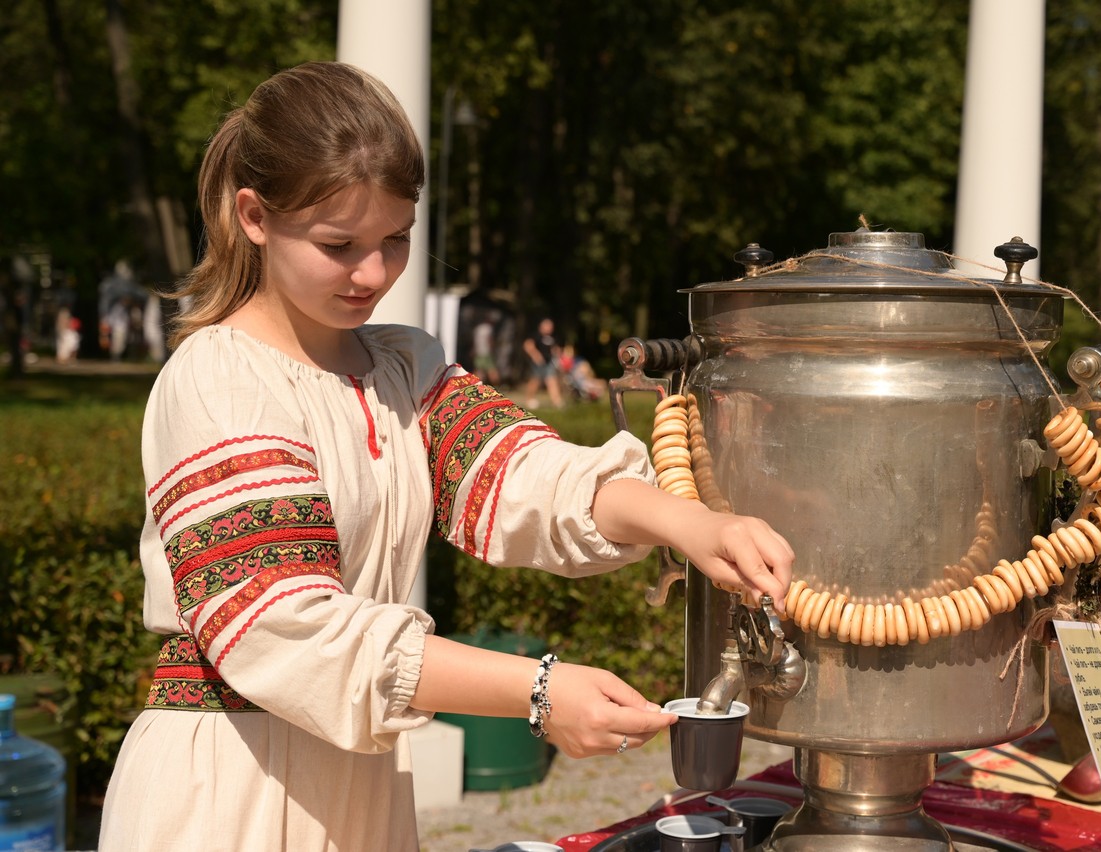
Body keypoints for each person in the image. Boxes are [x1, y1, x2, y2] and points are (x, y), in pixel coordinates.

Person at [96, 61, 793, 852]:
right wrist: (536, 691)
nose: (373, 273)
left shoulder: (401, 366)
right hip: (231, 789)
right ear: (253, 215)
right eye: (339, 245)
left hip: (358, 783)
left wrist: (693, 524)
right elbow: (281, 626)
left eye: (396, 240)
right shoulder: (219, 378)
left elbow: (518, 473)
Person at [523, 316, 565, 408]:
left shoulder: (552, 337)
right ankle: (529, 399)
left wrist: (559, 357)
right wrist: (535, 355)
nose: (549, 327)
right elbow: (528, 345)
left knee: (552, 380)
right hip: (537, 362)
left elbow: (555, 349)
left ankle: (556, 401)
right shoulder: (536, 335)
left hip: (549, 362)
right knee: (535, 380)